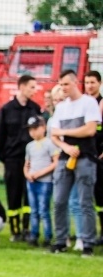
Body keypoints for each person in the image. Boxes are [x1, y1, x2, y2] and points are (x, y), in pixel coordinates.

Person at [49, 69, 102, 257]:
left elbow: (90, 130)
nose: (63, 88)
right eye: (60, 84)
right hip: (66, 157)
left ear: (75, 83)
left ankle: (88, 243)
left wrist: (64, 133)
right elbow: (54, 134)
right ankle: (60, 240)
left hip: (85, 157)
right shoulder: (61, 107)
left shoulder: (89, 103)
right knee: (59, 201)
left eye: (66, 84)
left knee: (84, 201)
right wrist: (66, 146)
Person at [0, 74, 41, 241]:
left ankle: (27, 228)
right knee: (13, 194)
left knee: (29, 195)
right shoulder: (7, 109)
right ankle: (15, 231)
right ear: (21, 87)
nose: (34, 91)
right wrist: (5, 157)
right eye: (32, 87)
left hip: (32, 161)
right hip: (12, 159)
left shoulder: (35, 108)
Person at [24, 115, 59, 247]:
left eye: (35, 128)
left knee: (44, 209)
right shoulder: (29, 146)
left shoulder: (50, 143)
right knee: (34, 210)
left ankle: (48, 236)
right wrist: (27, 174)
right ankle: (34, 234)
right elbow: (26, 164)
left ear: (43, 128)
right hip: (31, 181)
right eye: (30, 129)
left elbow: (55, 162)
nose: (32, 132)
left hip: (45, 181)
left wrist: (40, 173)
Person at [83, 70, 103, 243]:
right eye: (87, 82)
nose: (89, 86)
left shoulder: (101, 103)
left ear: (100, 84)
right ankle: (85, 233)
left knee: (101, 195)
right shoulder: (82, 104)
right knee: (86, 197)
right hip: (85, 157)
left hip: (100, 158)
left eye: (92, 82)